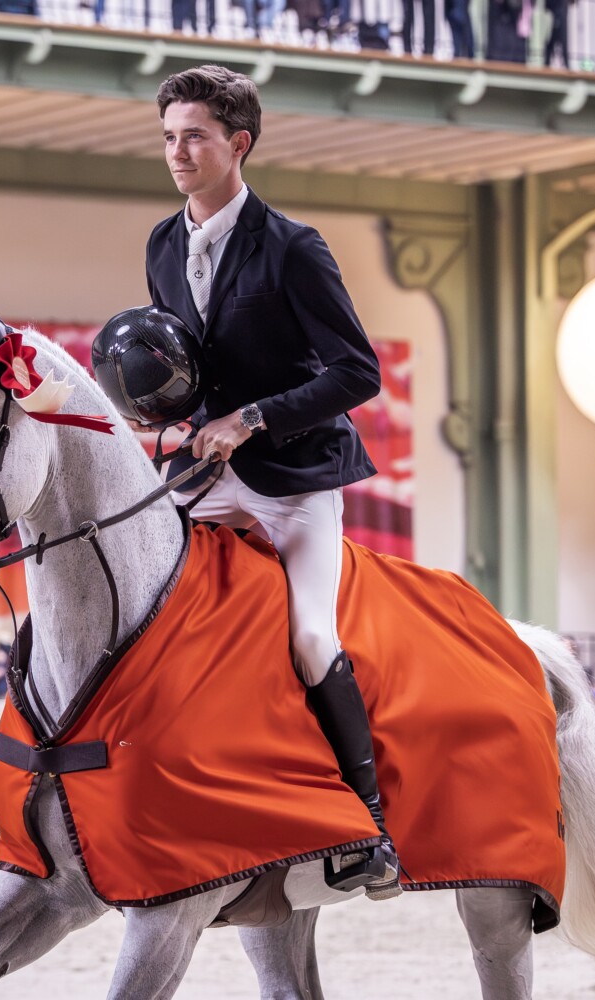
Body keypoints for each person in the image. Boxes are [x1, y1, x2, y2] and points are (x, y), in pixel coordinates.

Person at [145, 65, 393, 895]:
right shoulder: (160, 244)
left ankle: (369, 826)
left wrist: (249, 419)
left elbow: (358, 373)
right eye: (170, 137)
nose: (178, 152)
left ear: (237, 144)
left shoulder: (293, 247)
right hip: (207, 475)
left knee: (311, 637)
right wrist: (172, 416)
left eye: (195, 138)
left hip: (292, 478)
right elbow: (185, 365)